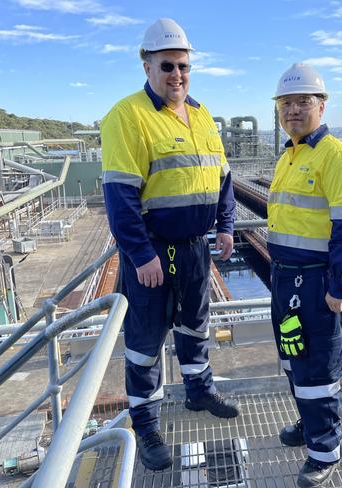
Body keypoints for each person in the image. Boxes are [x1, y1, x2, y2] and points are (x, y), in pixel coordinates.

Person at [100, 18, 239, 471]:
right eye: (167, 66)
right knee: (144, 340)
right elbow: (119, 195)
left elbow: (222, 177)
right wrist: (140, 254)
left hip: (195, 247)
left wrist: (225, 224)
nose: (177, 75)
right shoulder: (127, 116)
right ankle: (146, 422)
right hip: (153, 251)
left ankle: (199, 392)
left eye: (183, 66)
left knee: (195, 325)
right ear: (146, 65)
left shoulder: (201, 115)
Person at [267, 63, 342, 487]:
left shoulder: (336, 157)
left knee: (317, 369)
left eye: (302, 102)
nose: (293, 110)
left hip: (314, 282)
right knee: (293, 359)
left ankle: (324, 451)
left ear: (321, 106)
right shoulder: (289, 155)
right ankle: (309, 426)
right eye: (286, 103)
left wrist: (337, 287)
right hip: (283, 277)